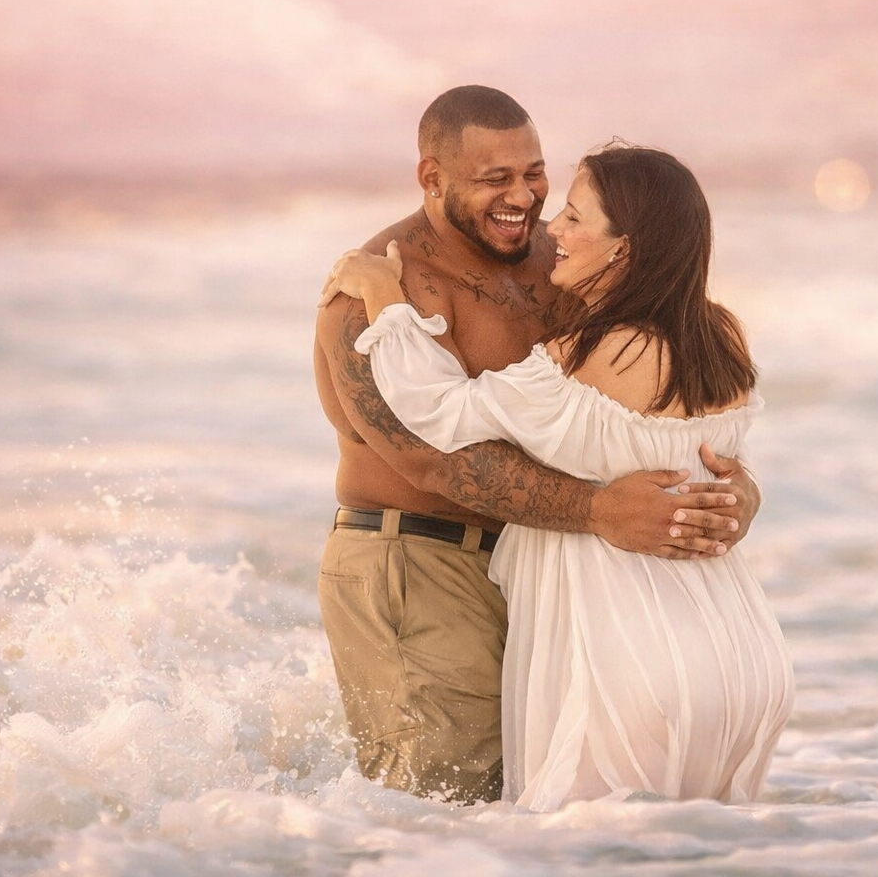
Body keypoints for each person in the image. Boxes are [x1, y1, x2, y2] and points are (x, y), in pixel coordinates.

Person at [312, 86, 761, 804]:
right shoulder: (381, 288)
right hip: (422, 559)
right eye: (496, 179)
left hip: (550, 573)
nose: (526, 199)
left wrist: (734, 492)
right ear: (433, 178)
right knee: (449, 807)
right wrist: (598, 511)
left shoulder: (559, 259)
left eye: (534, 174)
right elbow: (431, 454)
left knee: (542, 811)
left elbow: (652, 408)